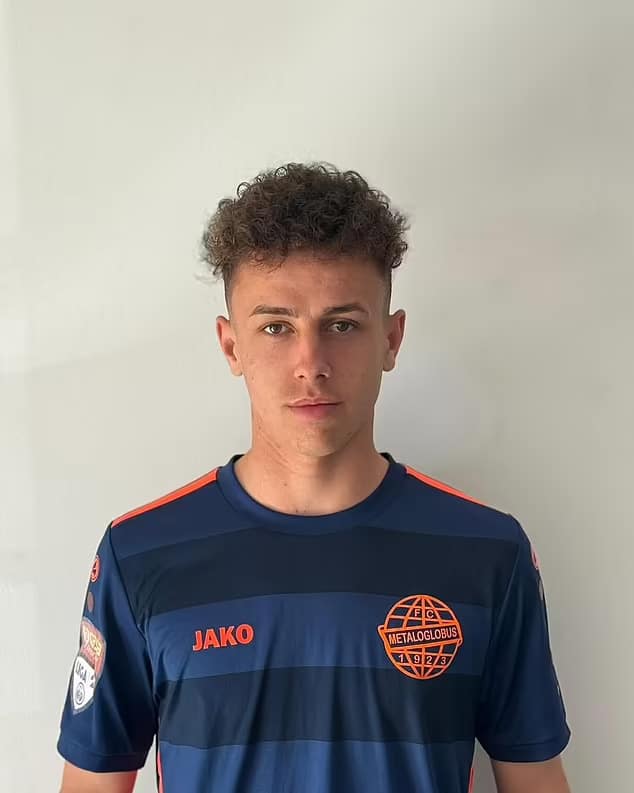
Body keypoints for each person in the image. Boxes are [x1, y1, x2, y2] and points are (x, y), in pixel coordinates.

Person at [57, 162, 572, 793]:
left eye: (342, 324)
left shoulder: (488, 551)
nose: (311, 363)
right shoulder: (139, 554)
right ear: (231, 346)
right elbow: (92, 783)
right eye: (276, 327)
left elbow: (535, 778)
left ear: (392, 339)